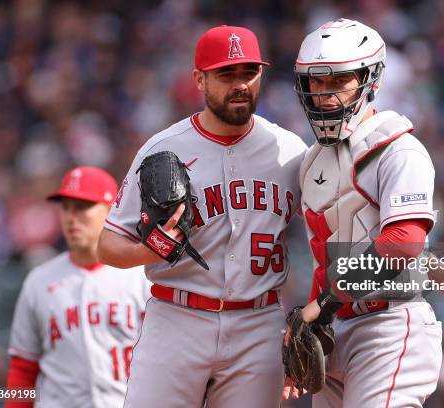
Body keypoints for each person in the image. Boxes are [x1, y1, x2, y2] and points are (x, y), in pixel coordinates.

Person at [97, 25, 307, 407]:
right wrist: (151, 250)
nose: (240, 83)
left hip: (258, 327)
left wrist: (311, 315)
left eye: (249, 72)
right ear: (199, 79)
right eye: (226, 74)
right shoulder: (163, 148)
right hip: (177, 319)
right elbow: (107, 245)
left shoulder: (290, 151)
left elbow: (326, 233)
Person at [283, 19, 444, 407]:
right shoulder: (312, 160)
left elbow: (401, 244)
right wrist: (437, 267)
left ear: (371, 80)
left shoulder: (399, 150)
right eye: (317, 82)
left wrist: (320, 305)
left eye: (340, 80)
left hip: (388, 325)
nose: (326, 94)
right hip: (334, 333)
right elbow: (358, 237)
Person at [5, 166, 151, 408]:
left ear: (111, 210)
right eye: (66, 207)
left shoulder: (141, 277)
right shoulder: (39, 281)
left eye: (83, 207)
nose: (71, 218)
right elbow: (23, 367)